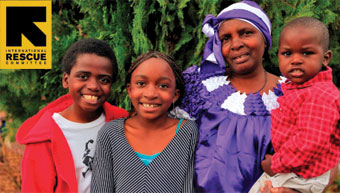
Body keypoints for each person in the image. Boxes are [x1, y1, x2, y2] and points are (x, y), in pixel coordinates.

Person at [179, 1, 285, 192]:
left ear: (265, 38)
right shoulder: (201, 87)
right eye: (226, 38)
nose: (235, 44)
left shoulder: (291, 95)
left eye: (246, 33)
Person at [16, 38, 129, 193]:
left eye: (104, 79)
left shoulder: (122, 123)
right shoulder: (43, 139)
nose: (93, 86)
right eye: (83, 76)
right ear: (66, 80)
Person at [249, 17, 340, 193]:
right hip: (297, 169)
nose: (296, 60)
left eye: (306, 53)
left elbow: (309, 143)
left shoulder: (318, 95)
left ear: (325, 58)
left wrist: (276, 164)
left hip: (305, 176)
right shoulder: (299, 88)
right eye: (287, 53)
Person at [90, 51, 198, 193]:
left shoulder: (188, 132)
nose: (151, 94)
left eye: (163, 86)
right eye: (141, 83)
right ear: (130, 90)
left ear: (175, 95)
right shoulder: (110, 134)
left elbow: (189, 188)